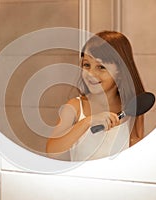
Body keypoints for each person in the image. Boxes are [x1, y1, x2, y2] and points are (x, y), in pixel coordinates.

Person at [46, 31, 145, 161]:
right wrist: (87, 122)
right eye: (87, 65)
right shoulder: (75, 107)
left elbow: (136, 152)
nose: (91, 73)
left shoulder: (131, 109)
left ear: (121, 71)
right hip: (82, 181)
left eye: (101, 67)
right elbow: (52, 151)